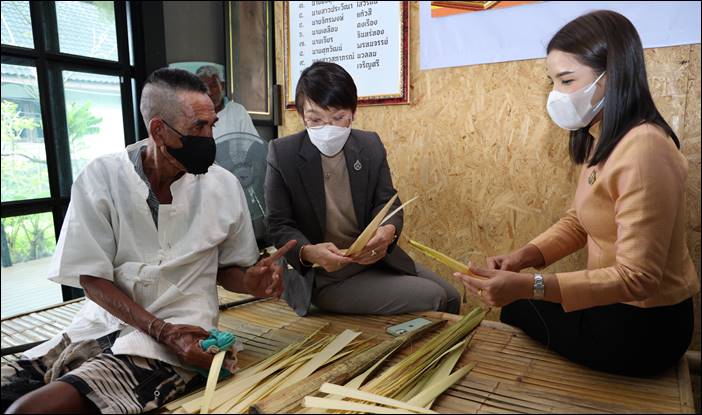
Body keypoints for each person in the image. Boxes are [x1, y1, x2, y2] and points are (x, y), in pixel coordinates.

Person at [1, 68, 296, 413]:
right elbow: (92, 279)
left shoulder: (224, 186)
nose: (209, 138)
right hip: (102, 323)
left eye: (211, 125)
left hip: (182, 338)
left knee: (29, 411)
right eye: (197, 128)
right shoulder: (102, 178)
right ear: (158, 130)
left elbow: (227, 268)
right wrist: (159, 328)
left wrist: (251, 282)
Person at [456, 10, 700, 376]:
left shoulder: (646, 149)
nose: (556, 95)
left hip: (647, 325)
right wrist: (522, 257)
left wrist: (530, 285)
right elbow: (578, 222)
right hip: (613, 304)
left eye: (567, 80)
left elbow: (639, 278)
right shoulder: (604, 138)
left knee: (519, 306)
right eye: (552, 82)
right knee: (521, 305)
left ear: (611, 76)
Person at [265, 61, 460, 317]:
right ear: (302, 116)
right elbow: (278, 224)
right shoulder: (283, 153)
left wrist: (387, 232)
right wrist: (308, 252)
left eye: (338, 117)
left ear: (353, 114)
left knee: (453, 296)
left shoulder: (369, 145)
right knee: (435, 297)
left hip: (372, 260)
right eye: (315, 119)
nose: (328, 127)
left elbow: (387, 201)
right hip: (324, 275)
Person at [196, 64, 258, 139]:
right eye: (204, 87)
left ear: (222, 86)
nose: (209, 92)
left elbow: (253, 144)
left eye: (213, 86)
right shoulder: (192, 114)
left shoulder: (237, 111)